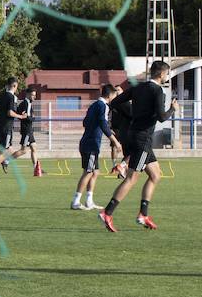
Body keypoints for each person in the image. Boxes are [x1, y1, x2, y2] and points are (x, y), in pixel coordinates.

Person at [100, 60, 174, 232]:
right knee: (132, 178)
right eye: (167, 74)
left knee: (155, 175)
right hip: (142, 139)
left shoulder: (138, 88)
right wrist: (173, 108)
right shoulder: (158, 91)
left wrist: (134, 116)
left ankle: (143, 214)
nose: (167, 76)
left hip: (133, 135)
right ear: (162, 74)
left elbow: (115, 103)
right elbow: (162, 117)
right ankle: (107, 212)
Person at [72, 84, 122, 210]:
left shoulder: (94, 105)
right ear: (110, 95)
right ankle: (76, 201)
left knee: (95, 172)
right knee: (88, 172)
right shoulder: (103, 106)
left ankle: (89, 200)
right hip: (91, 144)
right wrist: (115, 140)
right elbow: (103, 124)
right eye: (114, 95)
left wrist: (104, 128)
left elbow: (86, 122)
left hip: (88, 142)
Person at [0, 78, 24, 182]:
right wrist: (21, 116)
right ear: (14, 86)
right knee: (5, 150)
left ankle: (1, 163)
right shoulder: (11, 97)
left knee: (9, 149)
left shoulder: (2, 95)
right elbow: (10, 113)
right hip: (6, 127)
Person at [7, 87, 40, 173]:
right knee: (23, 150)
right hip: (27, 130)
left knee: (34, 148)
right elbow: (27, 118)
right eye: (33, 95)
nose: (34, 97)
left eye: (35, 95)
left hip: (29, 130)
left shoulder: (24, 103)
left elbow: (19, 113)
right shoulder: (26, 103)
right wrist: (33, 118)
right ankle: (6, 161)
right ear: (28, 94)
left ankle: (36, 168)